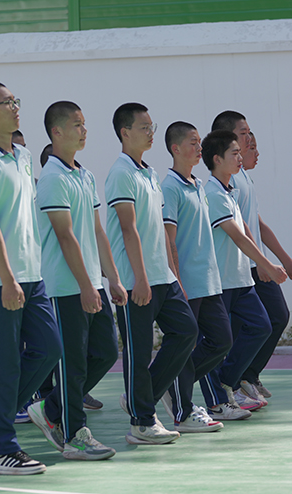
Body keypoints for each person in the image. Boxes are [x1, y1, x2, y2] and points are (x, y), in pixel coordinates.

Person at [0, 81, 61, 475]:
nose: (16, 107)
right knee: (5, 365)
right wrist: (7, 279)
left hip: (31, 274)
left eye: (15, 101)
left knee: (49, 348)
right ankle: (3, 450)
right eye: (7, 103)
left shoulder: (24, 156)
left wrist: (28, 272)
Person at [27, 101, 126, 460]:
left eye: (84, 124)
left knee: (105, 352)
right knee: (73, 364)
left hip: (90, 283)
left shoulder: (84, 175)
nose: (84, 131)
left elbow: (97, 231)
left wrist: (112, 278)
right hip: (66, 287)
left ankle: (50, 408)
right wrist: (85, 285)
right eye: (76, 125)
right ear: (56, 132)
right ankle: (74, 437)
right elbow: (65, 235)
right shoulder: (52, 179)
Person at [104, 103, 198, 445]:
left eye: (151, 126)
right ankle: (142, 423)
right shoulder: (121, 173)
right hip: (136, 281)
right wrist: (140, 279)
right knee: (139, 353)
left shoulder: (149, 173)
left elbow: (156, 228)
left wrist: (171, 273)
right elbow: (128, 228)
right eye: (144, 127)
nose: (150, 132)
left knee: (187, 332)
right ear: (125, 132)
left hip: (163, 277)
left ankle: (139, 398)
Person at [213, 112, 292, 401]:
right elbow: (238, 232)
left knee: (271, 319)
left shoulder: (242, 178)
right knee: (251, 326)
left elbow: (257, 224)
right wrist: (262, 263)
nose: (250, 138)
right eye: (243, 133)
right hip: (241, 267)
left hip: (253, 264)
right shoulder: (226, 181)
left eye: (249, 133)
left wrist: (284, 259)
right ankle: (232, 382)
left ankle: (244, 377)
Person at [197, 130, 287, 419]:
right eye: (234, 153)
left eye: (240, 153)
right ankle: (214, 399)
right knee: (216, 342)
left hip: (241, 280)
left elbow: (246, 230)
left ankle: (227, 382)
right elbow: (237, 237)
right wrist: (267, 264)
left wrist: (263, 263)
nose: (240, 157)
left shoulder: (229, 191)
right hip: (221, 282)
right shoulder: (213, 193)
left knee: (261, 326)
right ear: (217, 159)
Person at [160, 121, 234, 429]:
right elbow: (169, 239)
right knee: (184, 344)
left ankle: (163, 382)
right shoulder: (169, 187)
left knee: (222, 341)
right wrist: (178, 284)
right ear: (176, 148)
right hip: (187, 284)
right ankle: (183, 411)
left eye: (199, 142)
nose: (198, 147)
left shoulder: (199, 185)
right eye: (193, 142)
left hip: (209, 282)